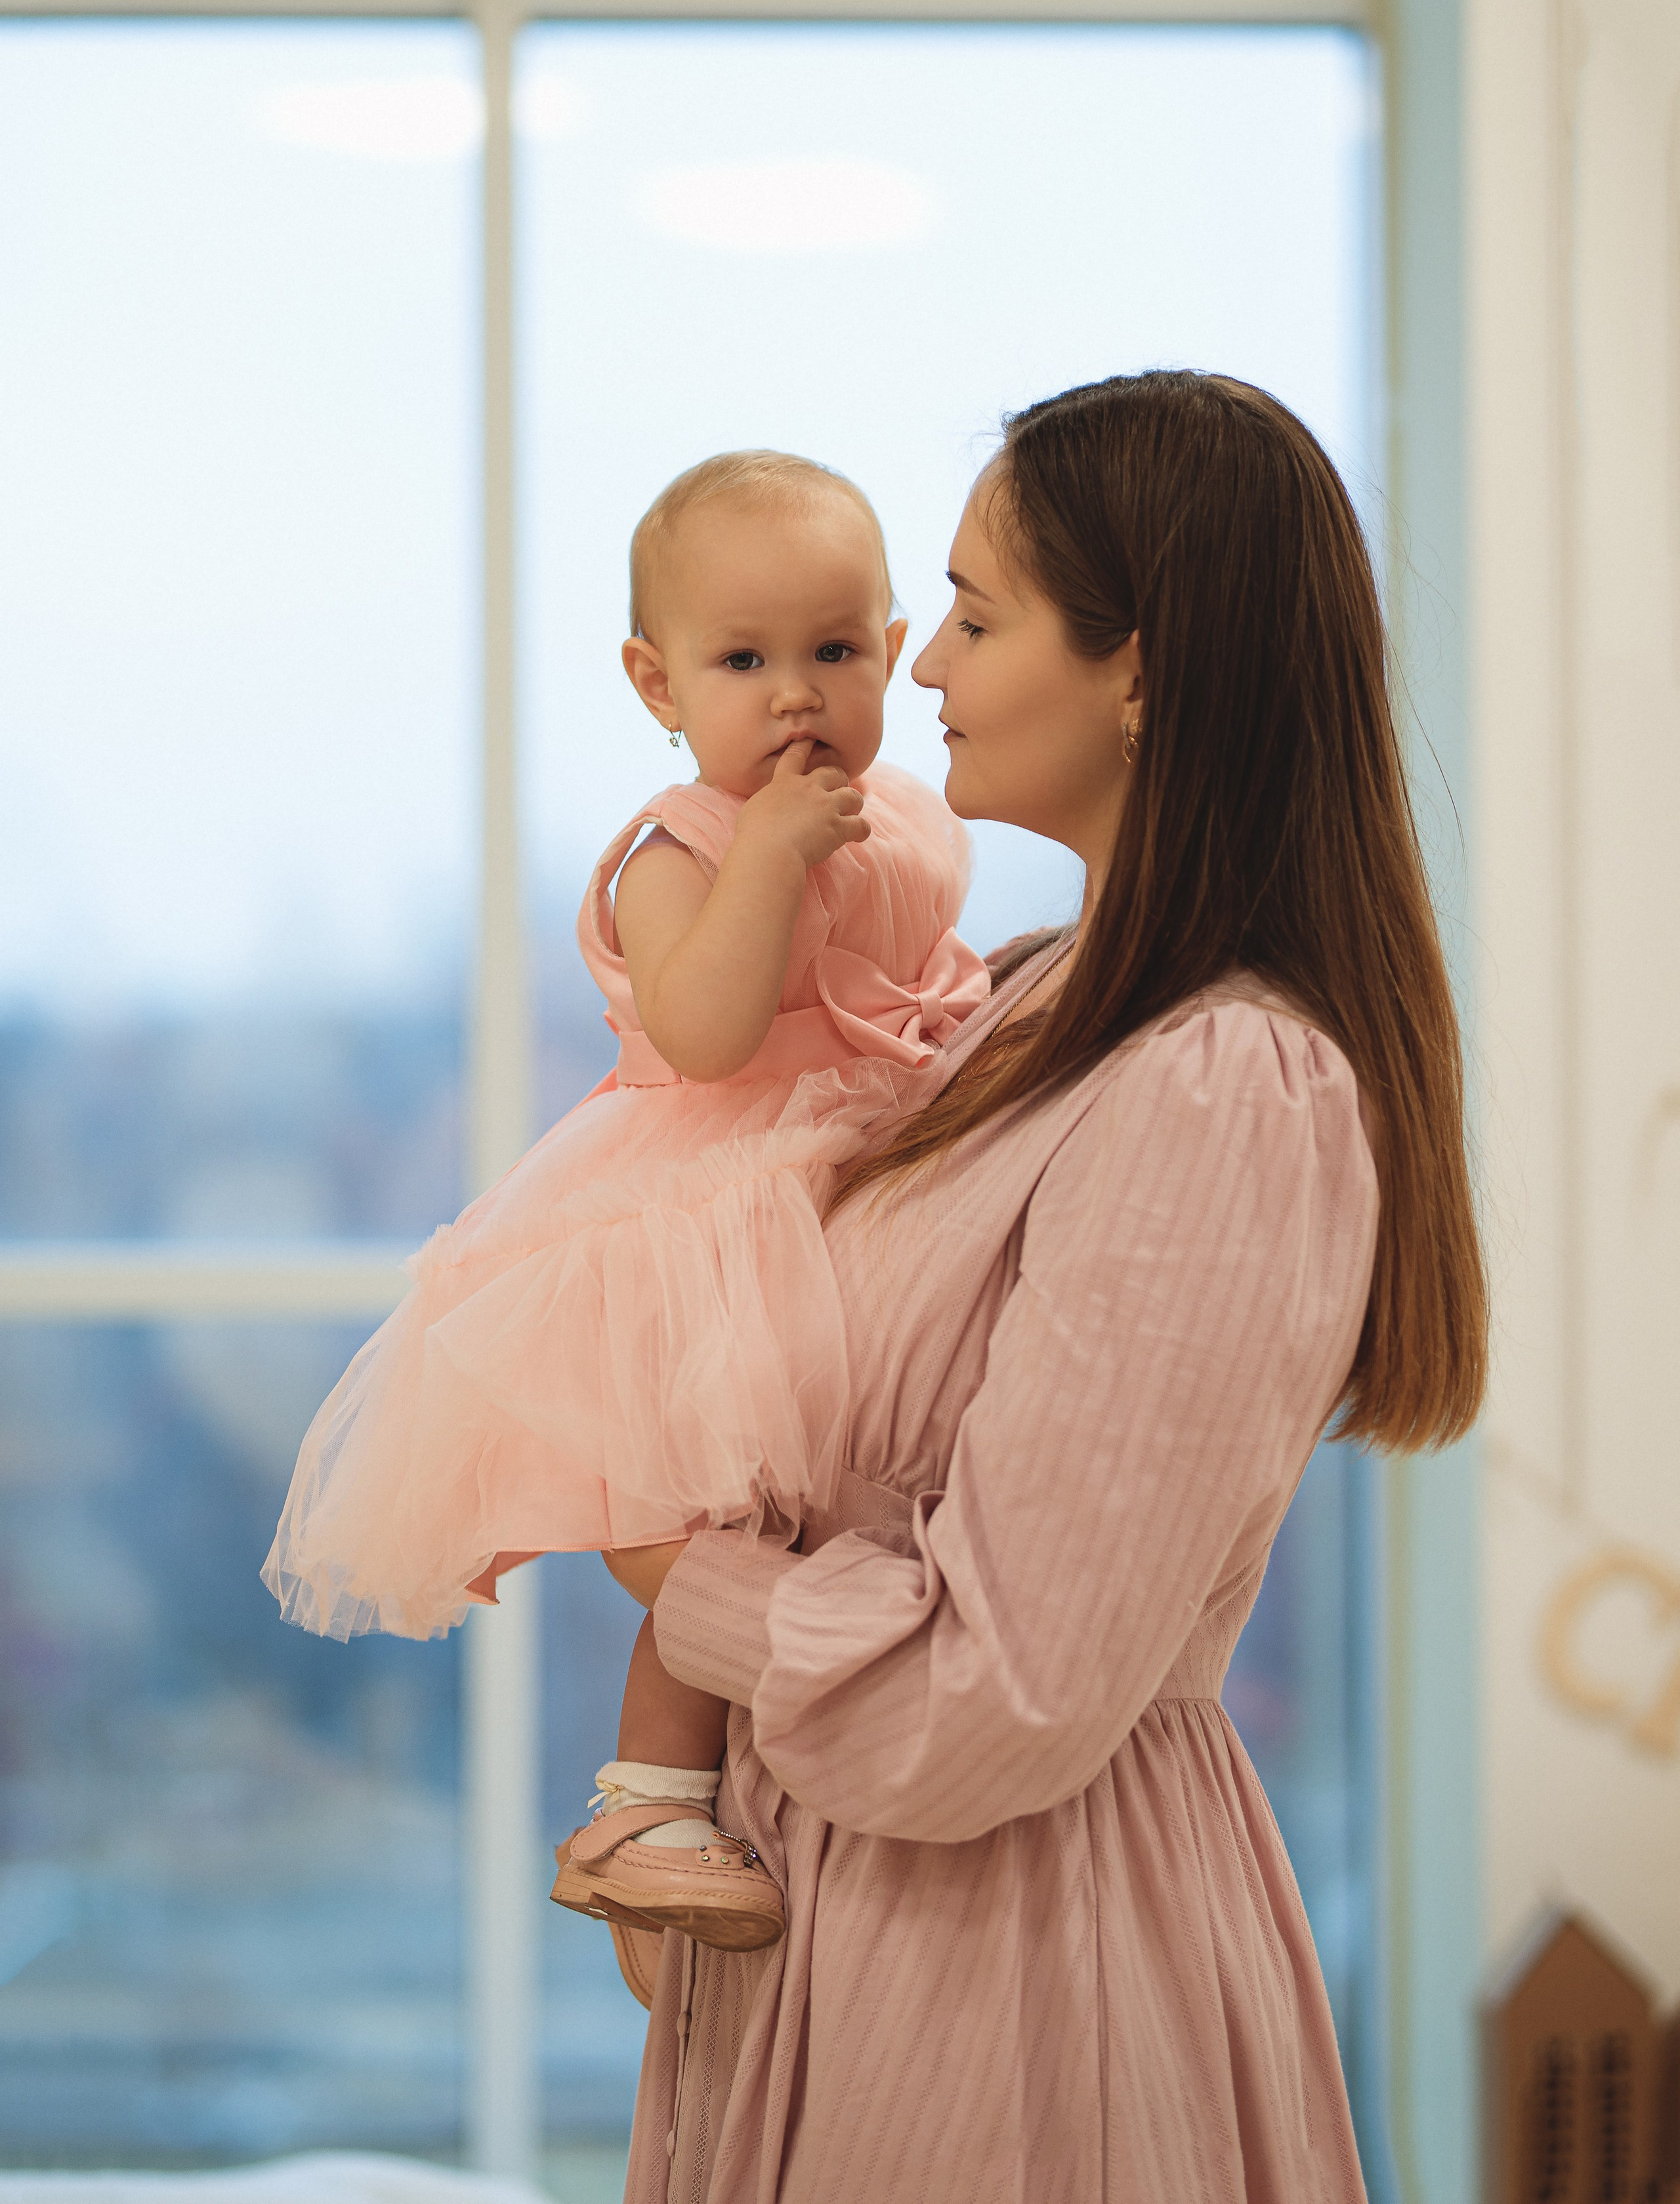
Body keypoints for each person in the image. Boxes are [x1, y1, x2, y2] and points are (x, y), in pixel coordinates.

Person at [601, 372, 1488, 2201]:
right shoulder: (1022, 999)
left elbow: (994, 1698)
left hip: (1016, 1970)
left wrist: (685, 1588)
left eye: (981, 620)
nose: (916, 673)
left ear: (1141, 673)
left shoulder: (1227, 1089)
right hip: (867, 1922)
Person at [261, 449, 987, 1955]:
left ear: (894, 649)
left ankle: (726, 1820)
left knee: (824, 1536)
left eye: (834, 653)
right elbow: (712, 1035)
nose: (795, 695)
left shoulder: (907, 816)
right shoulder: (684, 847)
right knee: (712, 1531)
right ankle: (645, 1808)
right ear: (657, 682)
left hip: (852, 1191)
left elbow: (919, 990)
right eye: (744, 662)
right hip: (709, 1219)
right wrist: (769, 868)